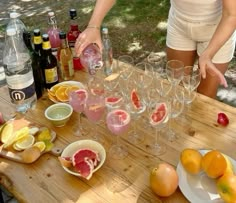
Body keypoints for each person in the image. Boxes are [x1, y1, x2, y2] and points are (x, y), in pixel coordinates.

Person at [75, 0, 236, 99]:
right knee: (177, 90)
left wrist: (209, 53)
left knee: (204, 100)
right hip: (179, 24)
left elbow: (231, 14)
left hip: (217, 30)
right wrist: (93, 26)